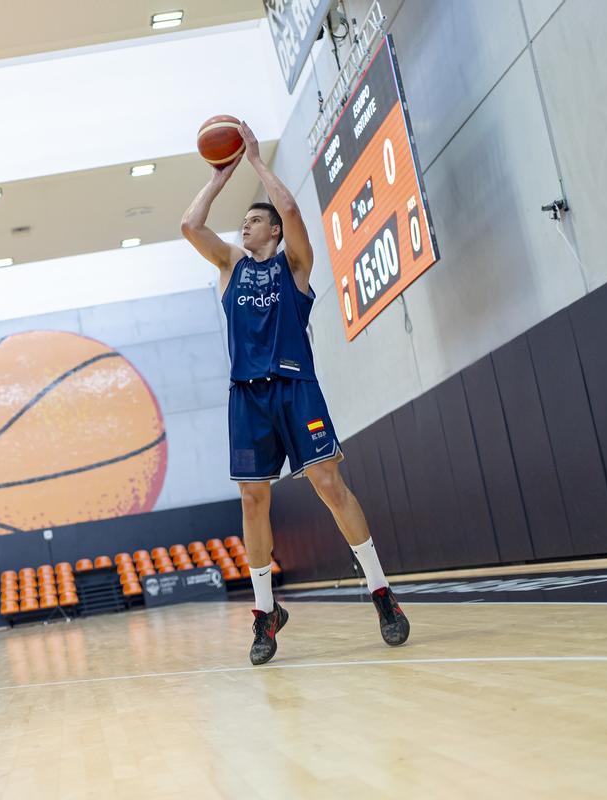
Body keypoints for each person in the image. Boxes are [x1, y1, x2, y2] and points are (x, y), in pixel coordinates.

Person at [180, 119, 410, 666]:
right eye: (244, 222)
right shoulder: (229, 267)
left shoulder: (295, 268)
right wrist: (219, 177)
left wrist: (257, 162)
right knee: (252, 499)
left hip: (295, 386)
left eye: (252, 221)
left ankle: (381, 593)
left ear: (273, 232)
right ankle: (265, 614)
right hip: (248, 396)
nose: (244, 228)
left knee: (329, 483)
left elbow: (293, 212)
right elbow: (190, 224)